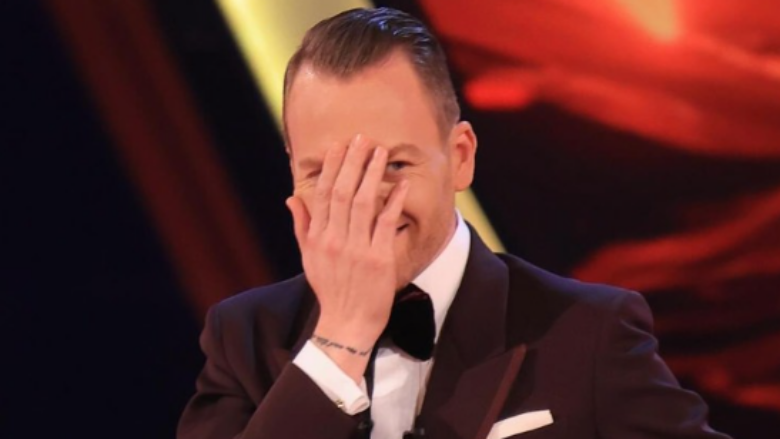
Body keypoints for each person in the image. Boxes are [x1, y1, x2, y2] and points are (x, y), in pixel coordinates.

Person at [178, 7, 731, 439]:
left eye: (394, 165)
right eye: (325, 174)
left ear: (460, 157)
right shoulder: (244, 339)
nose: (362, 202)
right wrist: (340, 340)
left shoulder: (588, 334)